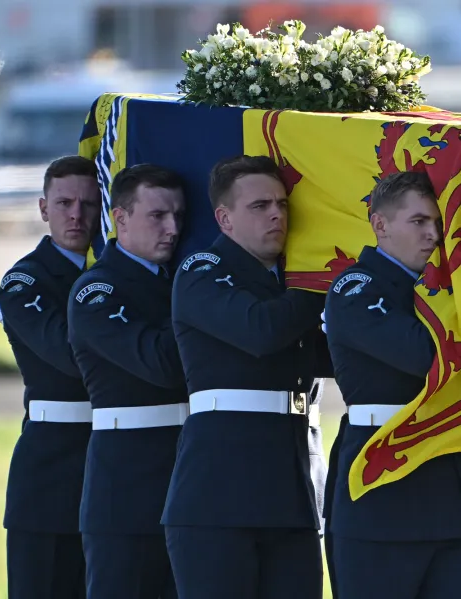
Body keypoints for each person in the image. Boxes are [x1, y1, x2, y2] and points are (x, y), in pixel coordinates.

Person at [162, 155, 331, 599]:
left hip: (291, 490)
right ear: (225, 218)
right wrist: (324, 281)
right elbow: (260, 331)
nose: (277, 213)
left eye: (281, 204)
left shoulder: (284, 286)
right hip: (219, 497)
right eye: (259, 206)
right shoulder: (202, 270)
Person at [322, 171, 461, 599]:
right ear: (380, 225)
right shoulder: (354, 287)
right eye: (418, 222)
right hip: (383, 487)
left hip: (448, 486)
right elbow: (429, 358)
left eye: (438, 223)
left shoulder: (445, 286)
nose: (434, 234)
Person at [67, 164, 187, 598]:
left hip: (190, 474)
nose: (172, 228)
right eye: (157, 215)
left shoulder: (179, 280)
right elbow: (160, 363)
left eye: (178, 216)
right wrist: (204, 307)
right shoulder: (96, 291)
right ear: (119, 218)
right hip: (127, 483)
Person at [0, 155, 101, 599]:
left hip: (116, 456)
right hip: (51, 466)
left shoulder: (116, 272)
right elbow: (66, 353)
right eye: (63, 203)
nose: (75, 215)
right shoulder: (25, 281)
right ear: (43, 209)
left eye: (87, 204)